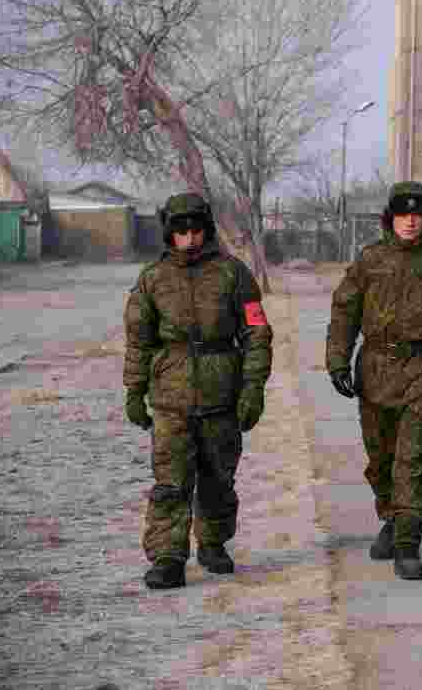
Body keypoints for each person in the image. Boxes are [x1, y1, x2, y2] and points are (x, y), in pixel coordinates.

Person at [326, 181, 422, 580]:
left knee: (410, 461)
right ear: (390, 219)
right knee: (380, 460)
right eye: (402, 215)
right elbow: (344, 312)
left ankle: (409, 544)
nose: (410, 222)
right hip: (376, 370)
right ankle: (394, 518)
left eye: (418, 215)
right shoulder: (369, 260)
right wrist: (337, 362)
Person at [123, 193, 273, 589]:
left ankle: (213, 542)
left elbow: (256, 332)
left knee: (218, 478)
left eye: (195, 229)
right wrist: (134, 391)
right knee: (170, 482)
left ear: (206, 229)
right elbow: (138, 340)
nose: (189, 238)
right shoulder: (152, 279)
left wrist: (252, 389)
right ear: (169, 234)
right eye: (180, 231)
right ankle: (168, 557)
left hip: (221, 394)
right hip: (170, 397)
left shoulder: (232, 274)